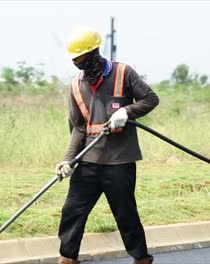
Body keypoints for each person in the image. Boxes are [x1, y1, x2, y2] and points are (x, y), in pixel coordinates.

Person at [55, 28, 159, 264]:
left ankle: (141, 258)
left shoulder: (123, 72)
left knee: (126, 216)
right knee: (72, 212)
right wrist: (68, 159)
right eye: (73, 59)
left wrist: (127, 111)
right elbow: (78, 128)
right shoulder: (76, 85)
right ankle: (67, 258)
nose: (76, 63)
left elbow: (151, 99)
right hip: (87, 163)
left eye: (79, 58)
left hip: (119, 163)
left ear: (93, 52)